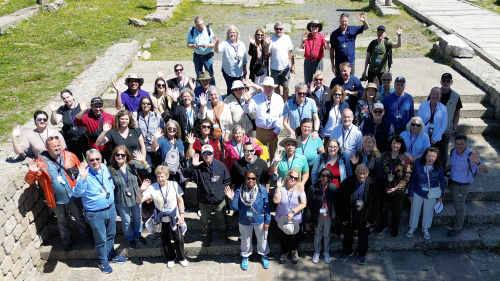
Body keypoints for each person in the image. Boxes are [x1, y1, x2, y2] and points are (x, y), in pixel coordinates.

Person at [24, 137, 91, 252]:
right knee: (62, 221)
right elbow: (30, 181)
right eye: (53, 146)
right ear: (46, 147)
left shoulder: (70, 155)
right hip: (56, 199)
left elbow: (81, 171)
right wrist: (32, 172)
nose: (57, 148)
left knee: (80, 217)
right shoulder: (41, 162)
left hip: (73, 195)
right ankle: (66, 242)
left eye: (58, 145)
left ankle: (86, 236)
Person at [74, 149, 126, 274]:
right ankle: (103, 262)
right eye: (91, 160)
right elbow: (76, 193)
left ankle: (111, 255)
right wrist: (82, 178)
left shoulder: (104, 167)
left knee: (111, 234)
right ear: (87, 160)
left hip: (110, 209)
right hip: (95, 213)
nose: (95, 162)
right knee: (101, 239)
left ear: (101, 159)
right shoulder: (84, 174)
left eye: (97, 159)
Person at [137, 166, 188, 268]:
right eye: (158, 176)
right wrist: (141, 191)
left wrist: (182, 215)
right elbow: (139, 201)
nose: (160, 179)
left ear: (167, 176)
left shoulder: (174, 185)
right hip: (161, 216)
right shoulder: (152, 187)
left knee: (179, 237)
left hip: (174, 215)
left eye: (162, 176)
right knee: (165, 238)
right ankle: (170, 257)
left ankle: (181, 257)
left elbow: (180, 200)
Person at [183, 145, 231, 246]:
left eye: (210, 153)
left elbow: (227, 180)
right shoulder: (198, 167)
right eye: (205, 153)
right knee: (205, 222)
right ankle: (207, 237)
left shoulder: (220, 165)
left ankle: (223, 234)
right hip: (204, 201)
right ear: (201, 155)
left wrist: (221, 191)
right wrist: (192, 166)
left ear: (213, 154)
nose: (207, 155)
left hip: (219, 200)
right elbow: (185, 174)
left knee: (222, 220)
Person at [225, 170, 271, 270]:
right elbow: (235, 208)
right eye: (248, 178)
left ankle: (264, 255)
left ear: (256, 180)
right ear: (245, 179)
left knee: (262, 238)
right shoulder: (239, 190)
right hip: (244, 220)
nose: (251, 180)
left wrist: (267, 221)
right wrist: (231, 199)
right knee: (245, 239)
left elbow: (267, 206)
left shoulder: (262, 189)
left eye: (253, 178)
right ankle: (245, 256)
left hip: (259, 219)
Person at [446, 134, 488, 237]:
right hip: (452, 181)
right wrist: (442, 170)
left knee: (459, 207)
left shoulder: (471, 156)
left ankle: (457, 228)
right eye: (457, 144)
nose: (459, 146)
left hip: (462, 186)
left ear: (466, 144)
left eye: (461, 144)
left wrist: (477, 162)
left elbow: (486, 170)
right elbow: (453, 165)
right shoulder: (453, 151)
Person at [108, 146, 150, 249]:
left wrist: (143, 161)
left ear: (127, 156)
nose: (120, 157)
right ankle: (130, 238)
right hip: (121, 198)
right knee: (126, 220)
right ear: (114, 156)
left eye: (123, 155)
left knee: (137, 217)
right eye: (118, 154)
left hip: (136, 196)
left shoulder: (132, 164)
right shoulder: (111, 169)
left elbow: (148, 170)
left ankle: (138, 235)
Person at [338, 164, 378, 265]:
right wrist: (342, 217)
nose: (361, 175)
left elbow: (375, 203)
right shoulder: (348, 181)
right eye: (359, 173)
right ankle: (347, 252)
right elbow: (340, 200)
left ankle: (361, 254)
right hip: (350, 215)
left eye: (364, 173)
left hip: (364, 216)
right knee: (347, 235)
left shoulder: (372, 183)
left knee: (363, 236)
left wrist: (370, 220)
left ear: (367, 173)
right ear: (355, 172)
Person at [406, 147, 445, 240]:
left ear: (436, 157)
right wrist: (410, 193)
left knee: (429, 211)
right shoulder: (418, 165)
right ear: (425, 156)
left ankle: (425, 228)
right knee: (415, 210)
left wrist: (441, 195)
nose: (431, 158)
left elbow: (442, 181)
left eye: (433, 156)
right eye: (429, 156)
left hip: (432, 193)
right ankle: (412, 227)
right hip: (418, 191)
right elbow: (413, 180)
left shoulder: (439, 166)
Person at [377, 136, 411, 237]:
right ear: (390, 143)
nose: (395, 145)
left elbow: (407, 175)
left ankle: (395, 227)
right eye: (394, 143)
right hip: (384, 186)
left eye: (398, 143)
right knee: (383, 207)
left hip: (398, 188)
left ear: (401, 145)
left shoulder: (405, 158)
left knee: (396, 209)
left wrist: (397, 188)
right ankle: (384, 224)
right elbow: (379, 170)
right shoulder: (383, 155)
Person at [242, 76, 284, 158]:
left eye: (270, 87)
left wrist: (277, 130)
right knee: (260, 153)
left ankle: (273, 169)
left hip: (274, 130)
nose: (267, 89)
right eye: (266, 87)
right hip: (260, 130)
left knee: (274, 153)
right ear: (263, 87)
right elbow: (249, 110)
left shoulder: (279, 98)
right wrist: (247, 101)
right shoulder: (256, 97)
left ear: (273, 87)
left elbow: (282, 115)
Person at [273, 169, 307, 264]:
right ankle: (284, 252)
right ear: (287, 176)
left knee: (294, 237)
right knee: (283, 237)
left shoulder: (299, 189)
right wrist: (278, 188)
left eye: (296, 178)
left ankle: (294, 251)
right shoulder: (281, 188)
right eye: (291, 176)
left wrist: (293, 211)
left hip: (295, 219)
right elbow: (275, 201)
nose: (293, 179)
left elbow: (304, 203)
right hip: (281, 218)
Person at [304, 168, 337, 264]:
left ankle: (326, 252)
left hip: (328, 217)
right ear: (319, 176)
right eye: (323, 175)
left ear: (330, 178)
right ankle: (317, 252)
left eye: (328, 176)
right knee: (317, 235)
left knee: (327, 235)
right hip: (317, 217)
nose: (325, 177)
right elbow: (308, 205)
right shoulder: (313, 188)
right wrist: (308, 221)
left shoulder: (333, 188)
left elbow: (337, 203)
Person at [48, 89, 88, 161]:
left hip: (84, 139)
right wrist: (53, 112)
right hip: (71, 141)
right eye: (64, 98)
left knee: (89, 159)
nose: (66, 99)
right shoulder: (62, 109)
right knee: (76, 162)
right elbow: (55, 122)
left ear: (72, 96)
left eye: (68, 97)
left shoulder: (81, 107)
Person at [74, 97, 115, 163]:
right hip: (95, 148)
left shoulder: (110, 117)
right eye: (95, 106)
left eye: (100, 106)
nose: (98, 109)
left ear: (103, 106)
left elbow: (115, 131)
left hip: (108, 148)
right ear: (91, 106)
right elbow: (76, 121)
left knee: (111, 167)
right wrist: (82, 111)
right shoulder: (86, 117)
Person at [330, 12, 369, 76]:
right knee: (339, 82)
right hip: (339, 63)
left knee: (351, 81)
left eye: (345, 21)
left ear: (348, 21)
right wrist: (332, 65)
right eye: (342, 21)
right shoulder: (334, 34)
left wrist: (364, 21)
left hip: (350, 62)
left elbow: (366, 27)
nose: (344, 23)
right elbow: (332, 50)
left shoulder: (353, 29)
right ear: (339, 21)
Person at [151, 120, 186, 189]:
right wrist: (155, 138)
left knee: (177, 193)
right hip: (165, 172)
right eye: (169, 128)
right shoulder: (162, 140)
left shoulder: (179, 141)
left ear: (177, 130)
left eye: (174, 129)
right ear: (166, 129)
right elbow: (153, 149)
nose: (171, 130)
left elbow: (183, 155)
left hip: (177, 172)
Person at [213, 25, 248, 96]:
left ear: (237, 34)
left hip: (239, 72)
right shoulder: (225, 43)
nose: (232, 34)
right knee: (231, 89)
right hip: (228, 72)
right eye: (230, 32)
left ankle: (239, 102)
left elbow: (244, 59)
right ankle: (230, 102)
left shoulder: (241, 44)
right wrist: (216, 44)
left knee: (239, 89)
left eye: (234, 32)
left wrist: (244, 69)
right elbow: (217, 50)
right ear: (228, 34)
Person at [265, 21, 295, 101]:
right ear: (274, 29)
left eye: (280, 29)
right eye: (277, 29)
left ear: (283, 29)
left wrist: (293, 64)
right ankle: (279, 102)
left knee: (285, 86)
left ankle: (285, 103)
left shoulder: (287, 38)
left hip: (285, 67)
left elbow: (290, 53)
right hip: (274, 68)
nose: (279, 30)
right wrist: (267, 44)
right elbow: (266, 53)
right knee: (276, 87)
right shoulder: (271, 39)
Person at [133, 96, 165, 169]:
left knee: (157, 168)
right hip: (142, 147)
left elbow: (162, 131)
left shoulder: (156, 115)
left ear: (151, 105)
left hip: (155, 147)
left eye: (148, 103)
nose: (146, 105)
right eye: (143, 103)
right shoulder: (136, 115)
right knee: (146, 168)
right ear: (140, 104)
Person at [438, 73, 462, 164]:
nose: (446, 82)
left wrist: (454, 129)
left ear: (451, 82)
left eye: (448, 81)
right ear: (441, 81)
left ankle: (442, 174)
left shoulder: (456, 96)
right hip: (435, 129)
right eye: (444, 80)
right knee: (431, 152)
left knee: (443, 154)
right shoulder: (435, 93)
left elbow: (457, 114)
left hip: (447, 130)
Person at [295, 118, 324, 192]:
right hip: (298, 169)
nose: (306, 128)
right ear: (301, 127)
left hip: (312, 169)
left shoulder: (315, 138)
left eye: (309, 127)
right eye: (304, 126)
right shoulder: (295, 138)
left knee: (310, 190)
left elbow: (322, 152)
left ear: (312, 128)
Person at [187, 16, 216, 85]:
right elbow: (188, 45)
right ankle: (200, 90)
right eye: (198, 26)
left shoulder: (208, 30)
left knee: (210, 74)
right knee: (199, 75)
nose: (199, 28)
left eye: (200, 26)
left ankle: (212, 89)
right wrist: (193, 46)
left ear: (203, 23)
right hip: (197, 56)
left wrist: (207, 45)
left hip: (207, 57)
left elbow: (213, 44)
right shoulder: (192, 31)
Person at [300, 20, 330, 85]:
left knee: (318, 81)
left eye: (316, 26)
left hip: (318, 62)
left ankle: (318, 94)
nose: (314, 27)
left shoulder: (322, 36)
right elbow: (300, 47)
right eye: (312, 26)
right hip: (308, 62)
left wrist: (328, 42)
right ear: (310, 27)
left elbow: (328, 48)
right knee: (307, 82)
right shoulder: (306, 36)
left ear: (318, 27)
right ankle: (309, 94)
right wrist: (302, 41)